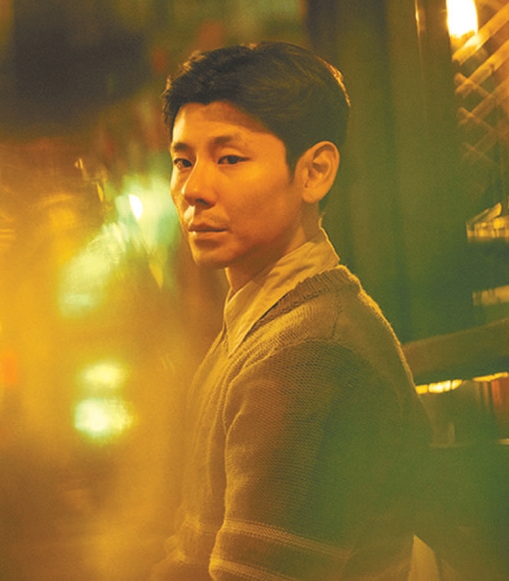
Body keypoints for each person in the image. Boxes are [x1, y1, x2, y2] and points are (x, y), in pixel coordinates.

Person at [151, 41, 432, 580]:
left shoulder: (310, 351)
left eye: (229, 159)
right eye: (183, 161)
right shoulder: (262, 328)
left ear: (314, 172)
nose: (194, 189)